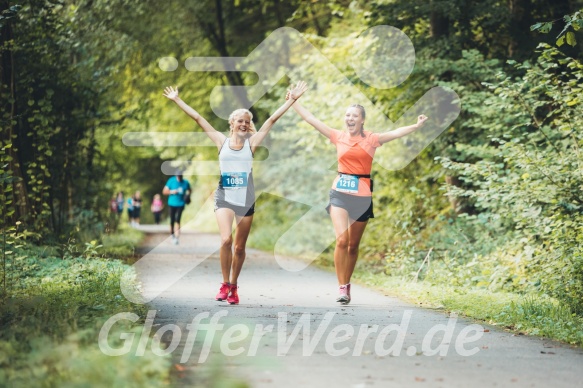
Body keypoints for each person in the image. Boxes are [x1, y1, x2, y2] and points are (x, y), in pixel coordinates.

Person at [163, 81, 307, 305]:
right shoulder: (221, 142)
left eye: (247, 122)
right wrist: (177, 99)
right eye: (240, 120)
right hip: (224, 195)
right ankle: (224, 283)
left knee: (240, 247)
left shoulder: (252, 144)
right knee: (226, 239)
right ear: (232, 123)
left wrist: (292, 99)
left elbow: (271, 120)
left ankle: (234, 286)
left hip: (246, 197)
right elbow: (199, 119)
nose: (243, 124)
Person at [289, 98, 428, 304]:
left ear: (362, 120)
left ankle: (348, 283)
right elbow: (311, 119)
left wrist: (416, 126)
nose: (350, 118)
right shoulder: (338, 136)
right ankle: (342, 288)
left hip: (362, 197)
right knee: (342, 240)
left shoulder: (371, 139)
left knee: (353, 245)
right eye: (347, 115)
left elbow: (396, 132)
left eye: (354, 115)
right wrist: (294, 102)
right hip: (339, 193)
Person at [162, 173, 191, 245]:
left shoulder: (185, 182)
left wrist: (187, 195)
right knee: (172, 220)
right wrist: (172, 191)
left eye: (180, 177)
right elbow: (164, 191)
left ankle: (177, 237)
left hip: (181, 204)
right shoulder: (171, 181)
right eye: (178, 177)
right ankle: (172, 235)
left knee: (178, 220)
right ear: (176, 176)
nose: (179, 179)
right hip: (172, 204)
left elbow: (189, 190)